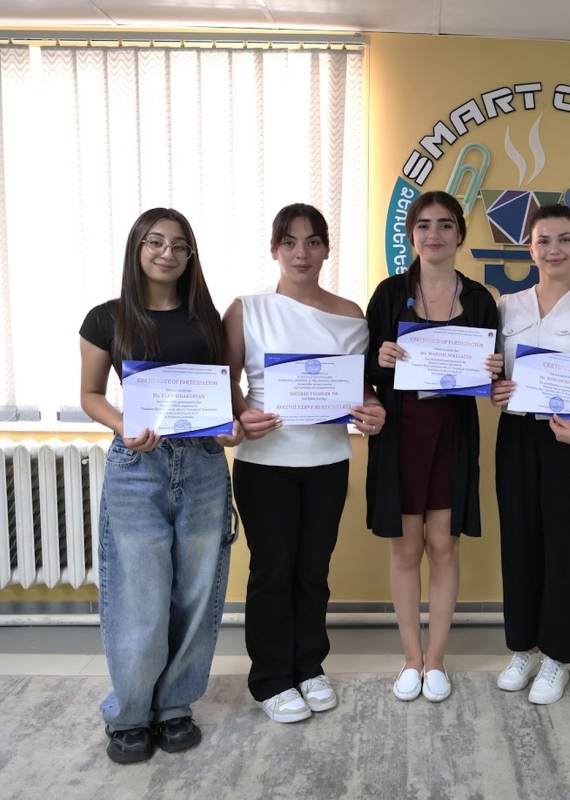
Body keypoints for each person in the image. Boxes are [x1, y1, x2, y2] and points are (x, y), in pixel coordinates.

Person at [80, 208, 242, 764]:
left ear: (190, 256)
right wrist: (122, 424)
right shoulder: (106, 318)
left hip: (202, 466)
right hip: (137, 466)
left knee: (196, 592)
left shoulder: (207, 320)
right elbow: (90, 394)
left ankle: (174, 705)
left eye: (178, 245)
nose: (166, 253)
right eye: (155, 242)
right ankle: (130, 714)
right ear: (137, 248)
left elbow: (220, 396)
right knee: (139, 596)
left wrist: (228, 429)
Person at [223, 203, 386, 724]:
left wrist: (374, 409)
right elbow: (226, 382)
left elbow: (359, 386)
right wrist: (242, 414)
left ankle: (309, 665)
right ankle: (271, 678)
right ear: (275, 248)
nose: (301, 253)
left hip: (327, 460)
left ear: (326, 249)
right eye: (290, 242)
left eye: (312, 241)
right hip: (265, 460)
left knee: (313, 570)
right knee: (272, 571)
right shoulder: (246, 310)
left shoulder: (350, 314)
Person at [365, 190, 501, 703]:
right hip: (400, 432)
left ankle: (437, 660)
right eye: (423, 225)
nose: (434, 234)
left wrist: (495, 370)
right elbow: (365, 368)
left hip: (452, 434)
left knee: (444, 545)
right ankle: (410, 659)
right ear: (411, 235)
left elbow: (496, 381)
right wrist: (380, 357)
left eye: (445, 224)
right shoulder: (387, 294)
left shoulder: (481, 300)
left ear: (460, 234)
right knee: (406, 547)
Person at [491, 204, 570, 705]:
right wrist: (494, 388)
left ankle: (558, 656)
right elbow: (494, 372)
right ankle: (523, 647)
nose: (554, 249)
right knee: (519, 542)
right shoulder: (507, 305)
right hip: (517, 434)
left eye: (564, 239)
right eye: (543, 240)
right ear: (530, 249)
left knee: (566, 545)